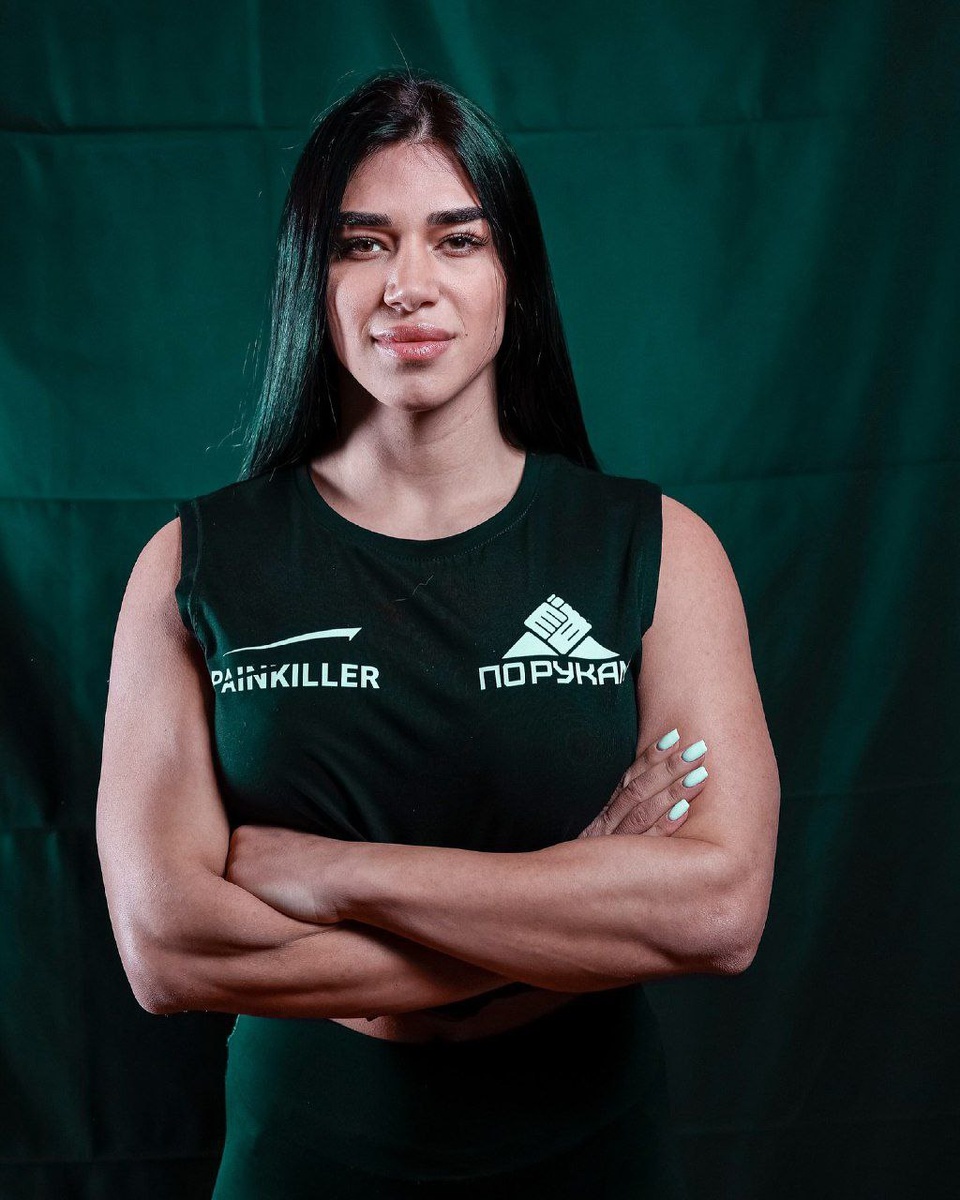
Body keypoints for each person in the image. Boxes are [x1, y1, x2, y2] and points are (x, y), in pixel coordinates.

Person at [96, 69, 780, 1197]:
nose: (408, 285)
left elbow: (715, 912)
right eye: (362, 244)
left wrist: (333, 872)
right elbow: (167, 950)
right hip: (310, 1146)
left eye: (457, 241)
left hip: (587, 1145)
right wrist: (572, 906)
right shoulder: (192, 566)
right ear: (312, 277)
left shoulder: (658, 549)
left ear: (514, 275)